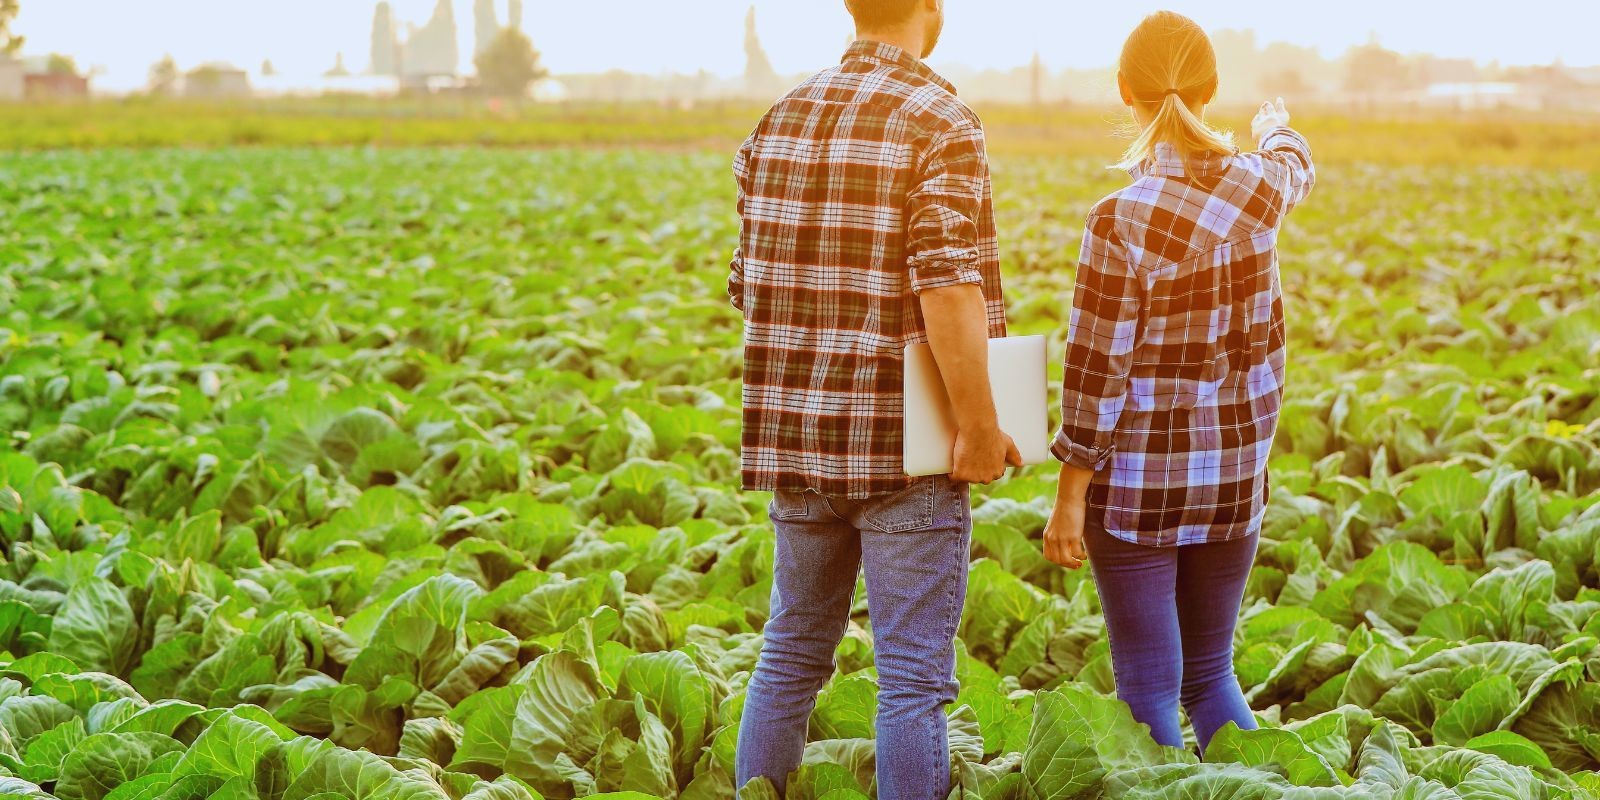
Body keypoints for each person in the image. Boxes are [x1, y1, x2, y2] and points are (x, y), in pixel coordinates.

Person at [727, 0, 1019, 796]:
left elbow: (745, 287)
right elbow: (948, 285)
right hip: (906, 449)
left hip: (795, 444)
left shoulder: (777, 119)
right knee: (913, 683)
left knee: (789, 654)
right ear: (931, 7)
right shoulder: (940, 119)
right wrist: (981, 425)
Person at [1040, 10, 1316, 755]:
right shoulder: (1262, 190)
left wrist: (1070, 495)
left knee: (1150, 692)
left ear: (1123, 90)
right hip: (1234, 480)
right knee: (1211, 679)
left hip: (1137, 491)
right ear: (1212, 87)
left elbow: (1095, 371)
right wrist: (1273, 126)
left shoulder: (1119, 220)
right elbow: (1297, 164)